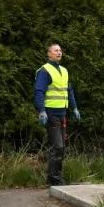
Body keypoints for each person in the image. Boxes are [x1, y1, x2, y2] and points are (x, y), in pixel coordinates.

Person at [34, 42, 81, 186]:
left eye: (60, 50)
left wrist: (74, 108)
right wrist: (41, 111)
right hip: (50, 113)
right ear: (49, 54)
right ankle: (55, 179)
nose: (59, 52)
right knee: (58, 146)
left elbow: (69, 91)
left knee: (60, 147)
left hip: (62, 113)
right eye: (55, 50)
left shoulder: (64, 71)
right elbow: (39, 92)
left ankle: (52, 178)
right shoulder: (44, 71)